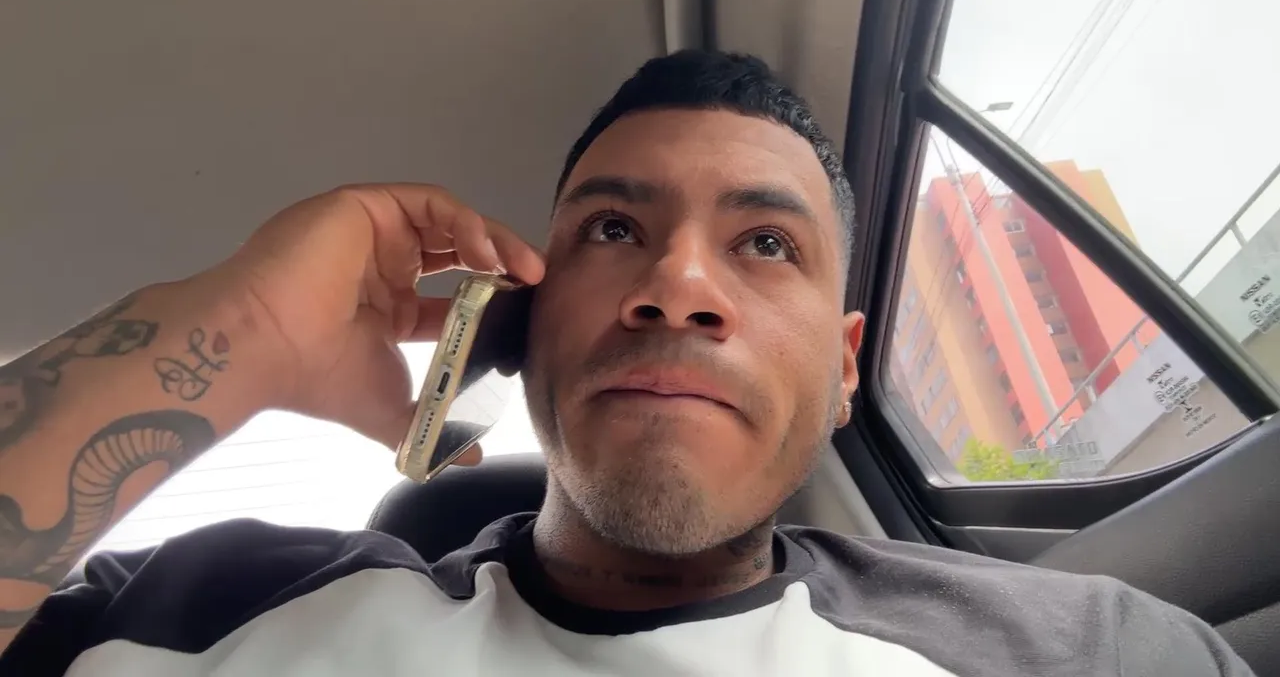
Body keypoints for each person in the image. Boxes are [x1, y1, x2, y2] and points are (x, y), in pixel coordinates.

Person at [0, 51, 1251, 677]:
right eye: (611, 231)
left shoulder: (1087, 650)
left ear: (843, 372)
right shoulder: (201, 608)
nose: (677, 286)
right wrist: (229, 329)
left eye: (766, 244)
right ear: (518, 319)